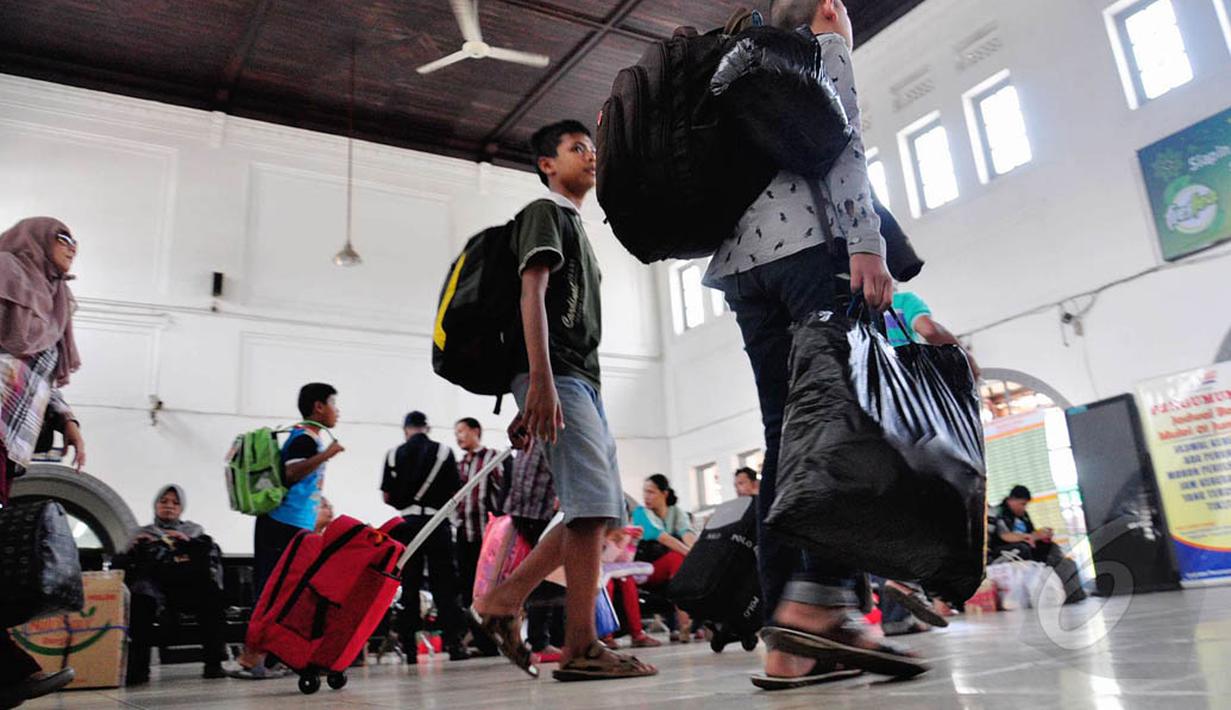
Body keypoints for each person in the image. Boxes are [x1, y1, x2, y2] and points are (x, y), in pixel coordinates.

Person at [703, 0, 928, 685]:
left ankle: (788, 643)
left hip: (741, 271)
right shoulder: (817, 50)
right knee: (841, 418)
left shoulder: (731, 64)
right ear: (828, 5)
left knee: (786, 436)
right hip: (811, 254)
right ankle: (821, 602)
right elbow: (844, 147)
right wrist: (867, 244)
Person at [471, 119, 657, 681]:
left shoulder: (576, 226)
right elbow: (532, 292)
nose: (591, 156)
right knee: (592, 506)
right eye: (578, 148)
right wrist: (540, 381)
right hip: (560, 376)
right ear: (547, 164)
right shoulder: (544, 213)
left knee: (602, 508)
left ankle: (510, 603)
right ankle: (576, 644)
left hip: (580, 382)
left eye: (592, 149)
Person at [0, 217, 85, 707]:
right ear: (36, 237)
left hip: (12, 441)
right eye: (63, 237)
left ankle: (11, 670)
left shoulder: (56, 300)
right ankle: (11, 668)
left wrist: (68, 419)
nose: (73, 247)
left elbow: (43, 377)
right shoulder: (5, 270)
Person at [231, 382, 344, 679]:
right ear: (318, 407)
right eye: (333, 403)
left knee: (287, 594)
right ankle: (251, 659)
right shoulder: (303, 439)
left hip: (294, 526)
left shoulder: (308, 438)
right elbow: (291, 473)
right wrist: (327, 454)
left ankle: (271, 658)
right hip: (281, 525)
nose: (337, 411)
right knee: (271, 591)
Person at [381, 411, 473, 662]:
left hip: (407, 525)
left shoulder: (393, 455)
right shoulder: (444, 452)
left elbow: (387, 496)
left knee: (409, 585)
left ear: (406, 430)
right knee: (444, 585)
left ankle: (409, 648)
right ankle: (453, 644)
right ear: (426, 428)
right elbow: (455, 491)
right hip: (436, 523)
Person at [124, 485, 226, 685]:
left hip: (187, 585)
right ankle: (138, 669)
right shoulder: (141, 533)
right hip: (153, 587)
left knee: (211, 596)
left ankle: (214, 664)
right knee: (140, 600)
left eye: (175, 503)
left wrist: (187, 543)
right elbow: (127, 564)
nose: (169, 506)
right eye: (163, 501)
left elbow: (207, 560)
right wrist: (138, 547)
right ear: (155, 505)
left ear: (181, 508)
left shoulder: (194, 531)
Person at [503, 414, 565, 662]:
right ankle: (540, 640)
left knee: (545, 574)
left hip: (525, 510)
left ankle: (545, 638)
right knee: (546, 575)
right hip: (536, 511)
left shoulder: (530, 426)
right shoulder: (547, 425)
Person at [629, 474, 696, 643]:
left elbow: (687, 533)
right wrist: (692, 556)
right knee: (676, 558)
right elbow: (663, 538)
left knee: (680, 561)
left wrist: (698, 556)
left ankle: (689, 624)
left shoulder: (677, 512)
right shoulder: (640, 513)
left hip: (668, 571)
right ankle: (685, 624)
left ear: (664, 494)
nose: (646, 497)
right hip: (643, 570)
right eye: (645, 492)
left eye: (651, 492)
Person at [991, 485, 1086, 604]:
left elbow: (1032, 533)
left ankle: (1070, 591)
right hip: (1007, 549)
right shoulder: (999, 513)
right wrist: (1029, 537)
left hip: (1027, 545)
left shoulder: (1024, 516)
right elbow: (1004, 535)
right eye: (1022, 504)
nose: (1024, 508)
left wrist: (1041, 536)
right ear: (1012, 500)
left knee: (1052, 549)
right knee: (1023, 548)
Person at [453, 417, 508, 611]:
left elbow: (504, 490)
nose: (458, 436)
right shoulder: (460, 464)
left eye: (461, 431)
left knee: (487, 581)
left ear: (476, 431)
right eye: (456, 433)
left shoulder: (492, 458)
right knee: (466, 582)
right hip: (463, 533)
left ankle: (487, 619)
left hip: (487, 534)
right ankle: (470, 621)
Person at [885, 290, 981, 378]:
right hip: (903, 376)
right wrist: (966, 357)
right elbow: (929, 330)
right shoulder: (903, 301)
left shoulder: (874, 309)